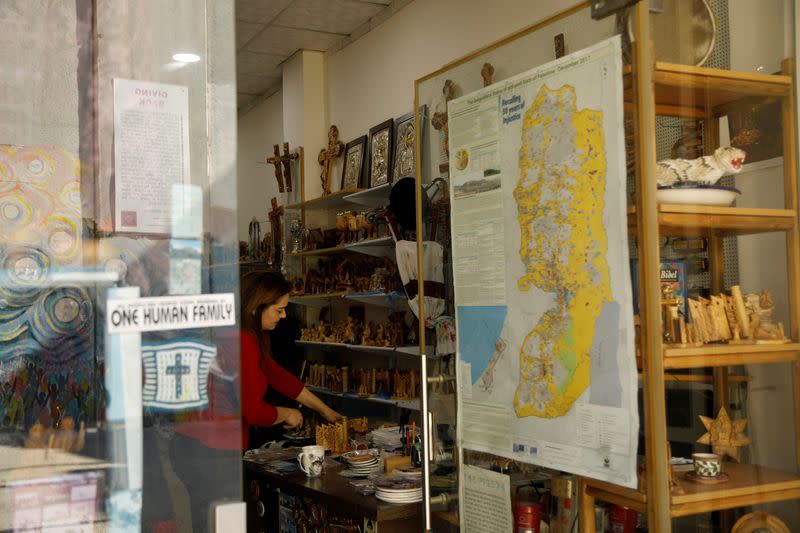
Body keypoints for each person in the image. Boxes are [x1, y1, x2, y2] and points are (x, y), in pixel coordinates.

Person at [170, 270, 341, 531]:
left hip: (191, 445)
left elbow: (276, 375)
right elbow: (253, 411)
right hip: (209, 451)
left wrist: (325, 410)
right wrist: (288, 414)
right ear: (255, 307)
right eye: (278, 310)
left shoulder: (242, 334)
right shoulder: (243, 340)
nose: (283, 316)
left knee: (210, 523)